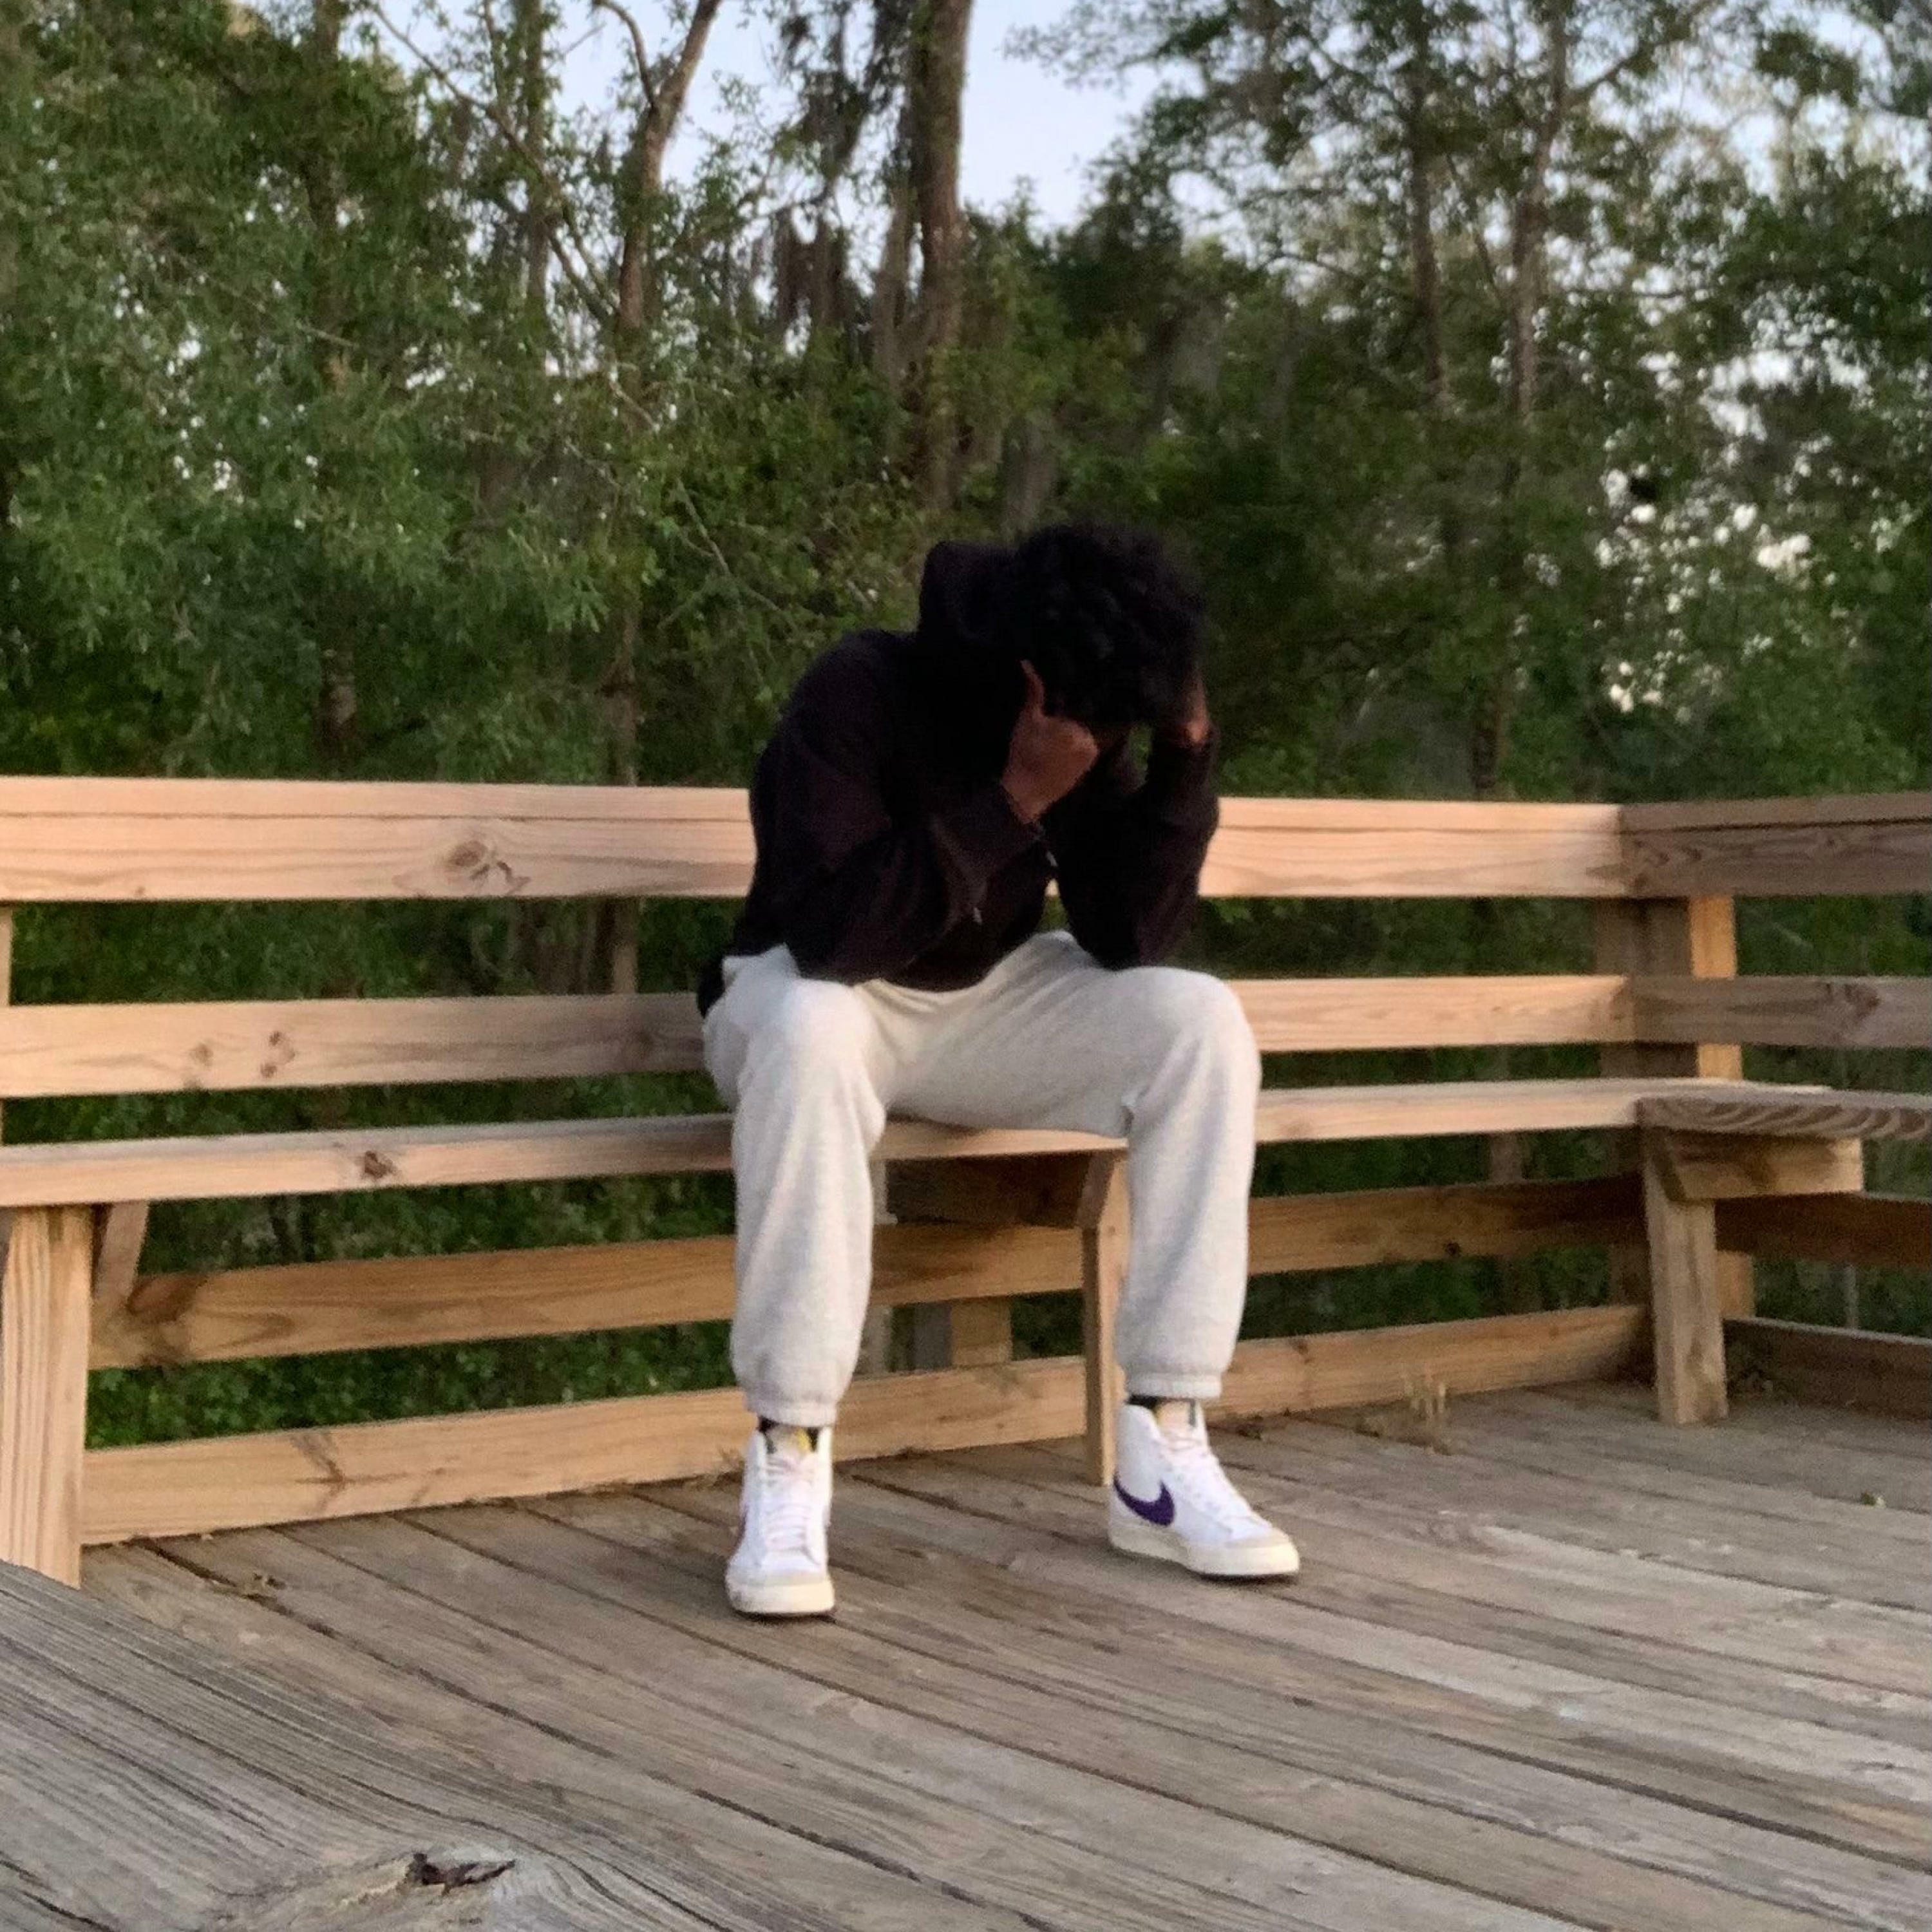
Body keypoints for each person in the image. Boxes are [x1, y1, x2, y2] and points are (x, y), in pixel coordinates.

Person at [698, 524, 1300, 1617]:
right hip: (810, 989)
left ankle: (1162, 1448)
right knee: (810, 1031)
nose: (1105, 742)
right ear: (1033, 682)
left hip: (979, 1005)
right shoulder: (857, 688)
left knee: (1200, 1023)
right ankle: (790, 1449)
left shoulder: (1080, 713)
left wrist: (1185, 754)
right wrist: (1014, 797)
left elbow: (1128, 936)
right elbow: (831, 937)